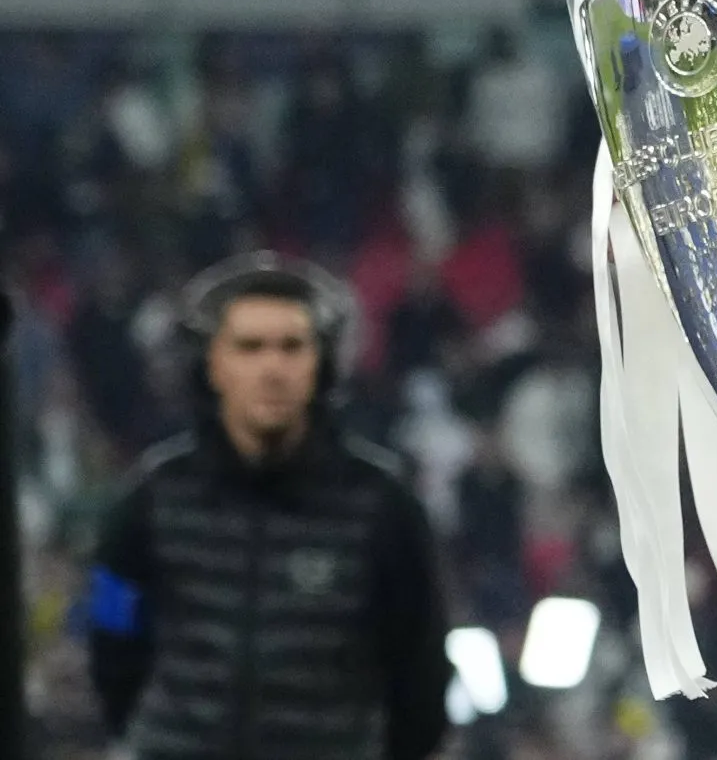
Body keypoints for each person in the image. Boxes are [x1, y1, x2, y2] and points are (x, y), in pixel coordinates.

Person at [87, 252, 453, 760]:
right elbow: (109, 626)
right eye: (249, 347)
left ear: (321, 364)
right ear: (212, 364)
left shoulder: (384, 509)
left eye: (292, 347)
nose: (272, 368)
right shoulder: (150, 499)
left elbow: (421, 671)